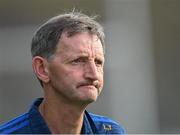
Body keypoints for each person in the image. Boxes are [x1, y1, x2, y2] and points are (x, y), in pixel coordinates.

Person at [0, 11, 125, 134]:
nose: (93, 74)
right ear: (42, 69)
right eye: (78, 61)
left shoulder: (110, 131)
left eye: (98, 62)